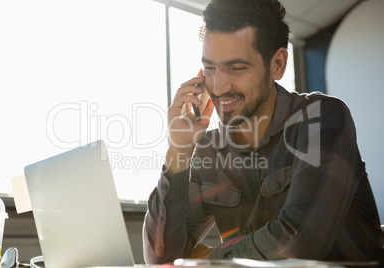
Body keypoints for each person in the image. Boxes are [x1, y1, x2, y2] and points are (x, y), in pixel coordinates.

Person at [143, 0, 384, 265]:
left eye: (236, 68)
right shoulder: (209, 149)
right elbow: (160, 257)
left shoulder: (320, 118)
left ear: (278, 64)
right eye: (210, 68)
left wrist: (212, 258)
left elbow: (299, 241)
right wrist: (179, 150)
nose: (219, 86)